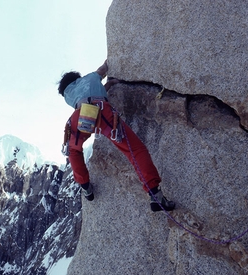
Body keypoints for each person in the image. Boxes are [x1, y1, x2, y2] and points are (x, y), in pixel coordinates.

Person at [58, 60, 175, 212]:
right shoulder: (90, 78)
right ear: (76, 77)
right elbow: (102, 72)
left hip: (79, 116)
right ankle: (155, 194)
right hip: (101, 110)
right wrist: (110, 61)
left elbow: (87, 95)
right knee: (135, 149)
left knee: (73, 150)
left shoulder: (68, 94)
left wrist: (109, 86)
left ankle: (85, 186)